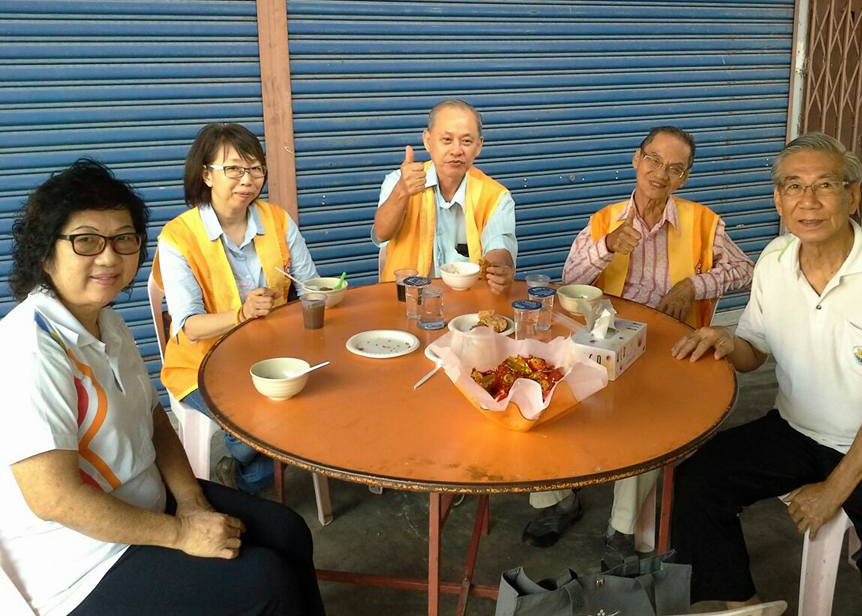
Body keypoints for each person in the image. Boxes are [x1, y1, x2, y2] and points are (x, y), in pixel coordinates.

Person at [0, 159, 324, 616]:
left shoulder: (108, 323)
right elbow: (54, 498)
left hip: (148, 504)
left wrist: (191, 502)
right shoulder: (28, 347)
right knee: (263, 581)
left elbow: (154, 420)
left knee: (288, 531)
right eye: (86, 241)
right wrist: (180, 534)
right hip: (82, 564)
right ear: (44, 252)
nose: (109, 257)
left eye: (123, 239)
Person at [671, 133, 862, 614]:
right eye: (793, 186)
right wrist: (728, 342)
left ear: (852, 195)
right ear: (778, 199)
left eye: (825, 185)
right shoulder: (775, 259)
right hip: (796, 429)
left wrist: (833, 490)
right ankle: (744, 604)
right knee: (695, 480)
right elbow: (755, 351)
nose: (808, 201)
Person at [523, 126, 754, 559]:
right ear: (636, 159)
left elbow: (746, 271)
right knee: (541, 396)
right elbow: (570, 281)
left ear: (684, 177)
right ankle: (558, 498)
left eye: (675, 168)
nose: (660, 174)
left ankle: (621, 528)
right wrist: (607, 246)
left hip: (671, 346)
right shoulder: (605, 220)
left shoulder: (704, 223)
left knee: (648, 423)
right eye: (653, 160)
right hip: (600, 341)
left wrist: (692, 285)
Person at [156, 123, 320, 493]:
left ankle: (247, 466)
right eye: (233, 169)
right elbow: (189, 326)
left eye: (255, 168)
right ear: (207, 175)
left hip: (272, 353)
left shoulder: (277, 220)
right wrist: (241, 315)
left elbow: (310, 286)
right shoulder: (178, 237)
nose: (247, 179)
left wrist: (325, 293)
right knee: (262, 433)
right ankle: (246, 468)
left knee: (320, 406)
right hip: (202, 364)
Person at [372, 99, 517, 293]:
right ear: (428, 141)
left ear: (479, 146)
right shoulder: (400, 181)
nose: (456, 151)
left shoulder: (496, 195)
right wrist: (401, 192)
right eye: (447, 140)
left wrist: (500, 269)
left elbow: (499, 247)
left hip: (468, 301)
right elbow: (381, 234)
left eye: (466, 141)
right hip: (406, 299)